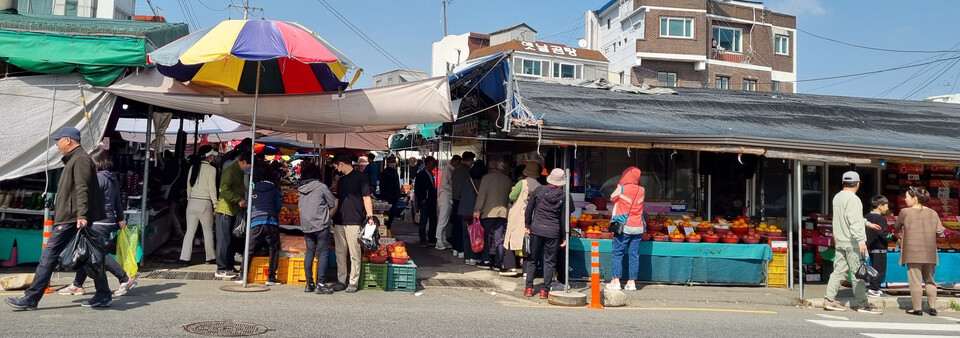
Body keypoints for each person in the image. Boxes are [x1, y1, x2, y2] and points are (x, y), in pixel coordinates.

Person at [6, 127, 109, 310]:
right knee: (89, 255)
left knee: (50, 254)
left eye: (58, 140)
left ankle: (31, 298)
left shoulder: (80, 159)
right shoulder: (75, 159)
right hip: (72, 216)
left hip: (72, 217)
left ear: (68, 140)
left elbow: (82, 188)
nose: (57, 145)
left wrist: (82, 214)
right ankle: (103, 293)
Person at [58, 146, 138, 297]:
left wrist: (81, 214)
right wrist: (120, 219)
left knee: (96, 254)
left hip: (99, 221)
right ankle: (77, 284)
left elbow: (88, 198)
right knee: (86, 251)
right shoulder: (111, 178)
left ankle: (124, 278)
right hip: (108, 221)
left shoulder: (99, 178)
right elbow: (118, 201)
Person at [823, 171, 882, 314]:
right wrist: (861, 241)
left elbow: (847, 217)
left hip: (840, 241)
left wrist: (867, 223)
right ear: (857, 184)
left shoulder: (838, 197)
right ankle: (863, 304)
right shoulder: (854, 199)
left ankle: (829, 299)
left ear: (843, 183)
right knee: (858, 274)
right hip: (853, 242)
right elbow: (854, 221)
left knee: (838, 271)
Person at [894, 186, 945, 316]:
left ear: (915, 198)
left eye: (907, 197)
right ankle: (932, 308)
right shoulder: (933, 213)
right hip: (930, 252)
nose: (905, 199)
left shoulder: (905, 212)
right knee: (930, 280)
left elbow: (896, 228)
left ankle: (917, 308)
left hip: (912, 252)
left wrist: (898, 236)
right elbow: (939, 231)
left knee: (915, 281)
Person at [523, 168, 573, 298]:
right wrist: (564, 236)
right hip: (553, 232)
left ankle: (529, 288)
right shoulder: (564, 196)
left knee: (532, 259)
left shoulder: (539, 190)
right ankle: (544, 290)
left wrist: (527, 225)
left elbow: (529, 209)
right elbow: (565, 217)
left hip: (536, 229)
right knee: (549, 261)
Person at [330, 153, 375, 293]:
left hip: (355, 220)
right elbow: (337, 200)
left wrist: (370, 217)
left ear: (341, 164)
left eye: (336, 166)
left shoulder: (361, 177)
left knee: (354, 253)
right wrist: (329, 216)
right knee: (340, 253)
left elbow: (366, 198)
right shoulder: (341, 181)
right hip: (339, 221)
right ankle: (341, 280)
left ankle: (353, 282)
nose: (336, 169)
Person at [298, 163, 336, 294]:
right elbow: (332, 203)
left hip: (306, 225)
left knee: (310, 252)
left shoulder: (301, 189)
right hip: (321, 224)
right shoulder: (321, 187)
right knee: (323, 253)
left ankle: (309, 283)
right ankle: (321, 284)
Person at [608, 166, 646, 291]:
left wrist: (619, 186)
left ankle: (616, 281)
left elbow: (612, 198)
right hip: (638, 226)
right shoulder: (642, 189)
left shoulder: (622, 188)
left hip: (624, 226)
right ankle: (632, 282)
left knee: (617, 253)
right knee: (634, 255)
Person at [180, 145, 219, 265]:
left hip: (192, 202)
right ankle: (210, 257)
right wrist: (215, 204)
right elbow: (212, 188)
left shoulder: (193, 167)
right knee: (207, 231)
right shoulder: (211, 169)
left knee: (189, 232)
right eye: (211, 155)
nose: (212, 157)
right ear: (207, 156)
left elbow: (188, 186)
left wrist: (189, 199)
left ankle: (184, 258)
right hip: (204, 203)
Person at [215, 152, 251, 279]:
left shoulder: (238, 172)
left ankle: (229, 266)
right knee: (224, 240)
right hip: (225, 210)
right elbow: (223, 189)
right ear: (243, 162)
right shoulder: (230, 171)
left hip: (234, 210)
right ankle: (221, 268)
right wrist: (238, 199)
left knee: (231, 240)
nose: (249, 168)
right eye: (249, 166)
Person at [245, 164, 283, 286]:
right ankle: (271, 277)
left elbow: (248, 206)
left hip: (256, 221)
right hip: (271, 221)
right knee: (274, 249)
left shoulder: (252, 189)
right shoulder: (274, 189)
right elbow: (278, 206)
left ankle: (242, 275)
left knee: (249, 249)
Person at [473, 158, 513, 271]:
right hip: (503, 212)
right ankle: (498, 263)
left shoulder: (486, 178)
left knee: (485, 236)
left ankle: (486, 260)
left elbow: (482, 196)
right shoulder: (508, 179)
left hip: (488, 212)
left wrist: (477, 209)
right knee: (499, 238)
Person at [503, 162, 542, 277]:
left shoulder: (522, 183)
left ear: (525, 173)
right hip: (533, 217)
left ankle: (511, 267)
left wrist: (513, 190)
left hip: (518, 215)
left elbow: (512, 197)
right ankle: (526, 270)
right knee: (527, 242)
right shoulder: (540, 186)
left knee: (510, 239)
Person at [864, 195, 892, 298]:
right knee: (879, 270)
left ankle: (874, 287)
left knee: (872, 269)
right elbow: (883, 234)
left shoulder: (866, 217)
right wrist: (894, 239)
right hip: (879, 248)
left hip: (869, 247)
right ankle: (874, 289)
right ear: (880, 206)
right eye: (886, 206)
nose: (887, 209)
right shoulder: (881, 219)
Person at [458, 160, 485, 265]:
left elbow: (459, 193)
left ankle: (467, 257)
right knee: (476, 234)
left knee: (466, 235)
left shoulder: (466, 180)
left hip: (464, 210)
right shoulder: (483, 182)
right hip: (476, 211)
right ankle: (474, 257)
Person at [451, 152, 475, 259]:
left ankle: (455, 247)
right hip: (462, 200)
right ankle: (461, 249)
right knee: (462, 227)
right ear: (469, 160)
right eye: (472, 161)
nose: (472, 163)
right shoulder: (467, 171)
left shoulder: (456, 169)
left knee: (455, 224)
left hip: (455, 198)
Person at [436, 155, 461, 250]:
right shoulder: (447, 170)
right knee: (442, 220)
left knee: (445, 221)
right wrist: (454, 189)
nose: (458, 165)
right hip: (445, 197)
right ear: (453, 161)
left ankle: (443, 239)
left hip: (449, 196)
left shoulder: (451, 170)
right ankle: (439, 240)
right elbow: (443, 184)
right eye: (457, 163)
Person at [415, 156, 438, 247]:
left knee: (433, 219)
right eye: (432, 163)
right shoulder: (421, 174)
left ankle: (431, 237)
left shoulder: (431, 174)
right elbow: (417, 188)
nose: (434, 165)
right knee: (423, 220)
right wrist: (422, 199)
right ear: (427, 163)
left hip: (432, 200)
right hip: (425, 200)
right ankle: (422, 239)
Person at [378, 156, 402, 230]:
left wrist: (398, 195)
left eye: (394, 162)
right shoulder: (384, 173)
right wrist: (383, 197)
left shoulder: (395, 172)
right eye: (391, 162)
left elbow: (397, 184)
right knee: (386, 216)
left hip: (394, 197)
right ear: (388, 163)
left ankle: (388, 228)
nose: (393, 163)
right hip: (387, 198)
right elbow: (382, 186)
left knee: (392, 215)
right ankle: (386, 228)